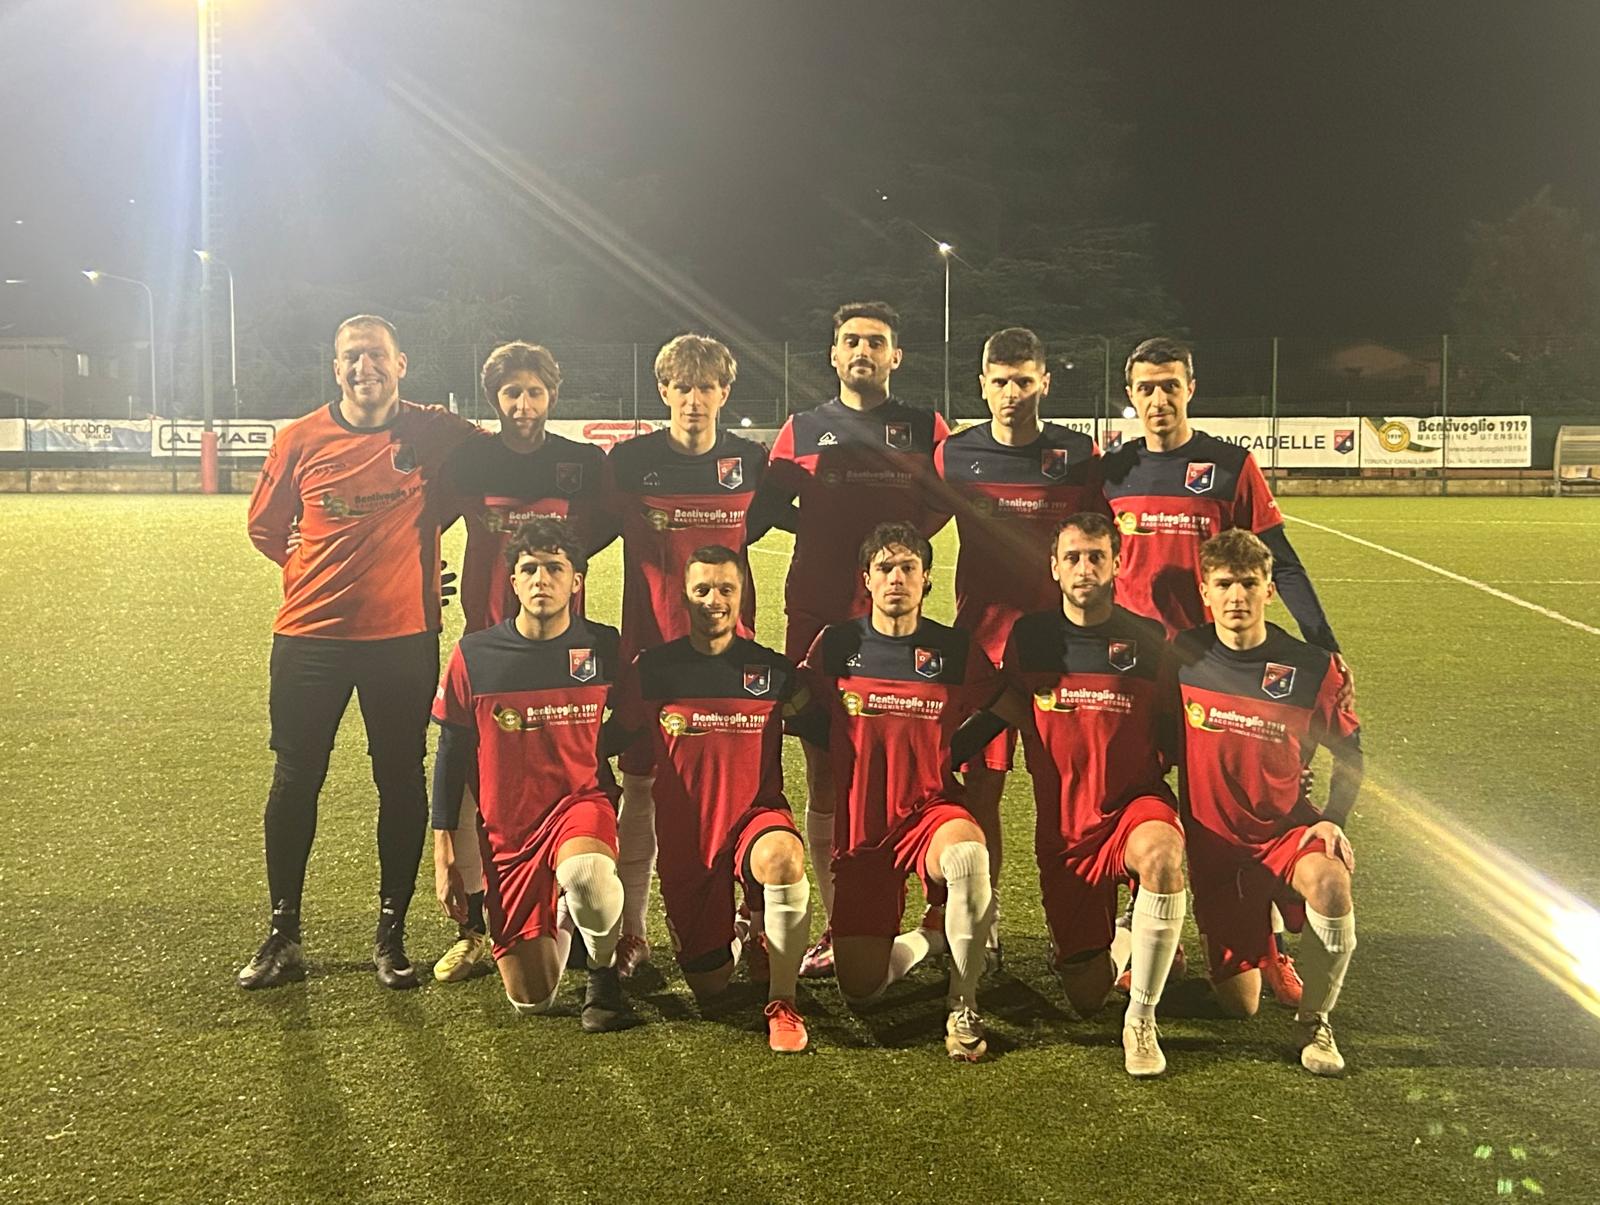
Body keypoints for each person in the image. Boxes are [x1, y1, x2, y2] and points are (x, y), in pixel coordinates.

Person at [1100, 336, 1350, 1005]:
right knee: (1136, 795)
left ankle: (1265, 939)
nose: (1159, 398)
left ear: (1191, 388)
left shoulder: (1229, 465)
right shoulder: (1113, 470)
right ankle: (1144, 930)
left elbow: (1279, 559)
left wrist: (1323, 642)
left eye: (1170, 385)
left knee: (1247, 804)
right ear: (1130, 395)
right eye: (1146, 387)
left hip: (1218, 667)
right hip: (1138, 672)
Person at [240, 314, 476, 990]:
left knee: (399, 778)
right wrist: (311, 568)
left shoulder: (434, 430)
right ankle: (284, 932)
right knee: (295, 777)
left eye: (375, 355)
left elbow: (496, 465)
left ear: (401, 364)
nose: (362, 367)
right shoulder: (299, 438)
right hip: (308, 638)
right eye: (350, 356)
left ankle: (390, 935)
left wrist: (420, 559)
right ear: (335, 367)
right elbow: (265, 528)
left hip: (401, 639)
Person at [952, 512, 1187, 1076]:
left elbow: (1180, 732)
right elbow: (1009, 707)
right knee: (1085, 995)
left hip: (1134, 808)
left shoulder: (1150, 641)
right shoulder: (1030, 638)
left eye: (1097, 557)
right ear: (1054, 567)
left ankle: (1141, 1020)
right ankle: (1129, 934)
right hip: (1065, 832)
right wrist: (942, 758)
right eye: (1073, 558)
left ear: (1117, 564)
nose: (1085, 569)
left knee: (1161, 856)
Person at [765, 302, 951, 977]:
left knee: (909, 761)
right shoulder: (801, 428)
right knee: (823, 764)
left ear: (895, 356)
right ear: (833, 354)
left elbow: (945, 500)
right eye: (851, 340)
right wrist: (819, 528)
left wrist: (900, 547)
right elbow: (770, 504)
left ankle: (935, 913)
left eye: (876, 341)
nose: (862, 351)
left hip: (896, 622)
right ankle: (837, 921)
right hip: (817, 610)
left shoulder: (925, 427)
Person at [429, 341, 616, 984]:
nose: (524, 404)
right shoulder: (471, 460)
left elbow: (609, 525)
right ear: (495, 399)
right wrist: (426, 573)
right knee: (476, 785)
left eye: (534, 392)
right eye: (512, 393)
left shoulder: (581, 463)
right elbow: (423, 518)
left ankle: (580, 907)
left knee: (570, 776)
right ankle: (471, 930)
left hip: (560, 647)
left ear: (551, 396)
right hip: (490, 645)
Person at [796, 522, 1007, 1060]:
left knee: (968, 856)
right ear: (866, 579)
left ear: (926, 578)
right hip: (863, 828)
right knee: (860, 989)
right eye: (885, 568)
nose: (896, 578)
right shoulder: (836, 644)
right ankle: (932, 937)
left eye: (908, 567)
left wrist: (950, 752)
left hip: (930, 812)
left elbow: (1004, 703)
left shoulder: (953, 648)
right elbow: (800, 706)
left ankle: (963, 1005)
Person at [603, 334, 774, 979]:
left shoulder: (750, 462)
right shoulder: (628, 463)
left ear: (724, 393)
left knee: (739, 792)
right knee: (641, 785)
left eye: (706, 387)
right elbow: (579, 530)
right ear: (664, 391)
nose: (694, 399)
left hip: (730, 658)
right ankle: (633, 930)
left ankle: (750, 922)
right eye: (682, 387)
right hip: (650, 654)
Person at [933, 327, 1104, 966]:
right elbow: (910, 526)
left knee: (1075, 793)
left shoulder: (1078, 456)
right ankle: (986, 916)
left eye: (1024, 381)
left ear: (1044, 383)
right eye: (1000, 381)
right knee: (981, 788)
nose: (1012, 393)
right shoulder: (954, 456)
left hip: (1062, 658)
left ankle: (1082, 922)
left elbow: (1106, 540)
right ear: (982, 385)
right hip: (982, 654)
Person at [431, 517, 635, 1031]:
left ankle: (603, 974)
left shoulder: (603, 646)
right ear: (514, 582)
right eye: (529, 569)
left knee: (588, 878)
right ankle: (563, 912)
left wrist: (589, 749)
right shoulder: (475, 655)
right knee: (532, 1001)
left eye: (554, 568)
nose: (541, 579)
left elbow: (634, 721)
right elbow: (452, 751)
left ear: (576, 581)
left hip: (579, 803)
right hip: (509, 830)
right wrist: (444, 849)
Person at [1173, 529, 1362, 1074]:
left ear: (1269, 591)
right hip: (1217, 851)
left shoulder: (1311, 666)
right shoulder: (1180, 656)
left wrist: (1333, 819)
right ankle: (1266, 946)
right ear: (1205, 592)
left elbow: (1350, 753)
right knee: (1240, 1007)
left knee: (1331, 881)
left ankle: (1316, 1022)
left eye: (1249, 584)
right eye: (1224, 584)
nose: (1237, 596)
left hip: (1285, 834)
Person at [609, 546, 812, 1052]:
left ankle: (784, 1001)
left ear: (742, 596)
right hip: (688, 840)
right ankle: (745, 929)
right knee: (710, 983)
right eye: (701, 590)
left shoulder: (773, 672)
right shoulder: (653, 670)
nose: (713, 601)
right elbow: (610, 737)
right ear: (684, 597)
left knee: (784, 858)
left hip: (755, 819)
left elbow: (828, 730)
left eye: (725, 589)